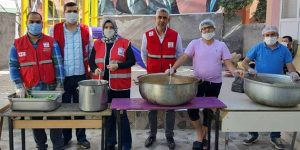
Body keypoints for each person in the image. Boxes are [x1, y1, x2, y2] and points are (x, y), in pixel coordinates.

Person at [166, 19, 243, 150]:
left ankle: (201, 138)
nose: (207, 30)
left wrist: (235, 71)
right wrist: (173, 68)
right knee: (192, 110)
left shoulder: (221, 45)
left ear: (214, 29)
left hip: (215, 83)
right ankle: (200, 133)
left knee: (209, 111)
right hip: (198, 83)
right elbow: (184, 57)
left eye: (209, 28)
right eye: (204, 28)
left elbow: (228, 62)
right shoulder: (195, 43)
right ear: (201, 31)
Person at [9, 12, 64, 150]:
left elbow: (58, 64)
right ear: (26, 23)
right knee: (36, 122)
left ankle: (58, 146)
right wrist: (18, 85)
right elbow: (13, 66)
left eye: (38, 21)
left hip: (51, 88)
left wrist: (60, 84)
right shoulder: (17, 44)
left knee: (55, 121)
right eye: (32, 21)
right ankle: (41, 146)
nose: (35, 24)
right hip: (31, 91)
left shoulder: (51, 42)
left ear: (42, 23)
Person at [242, 26, 300, 150]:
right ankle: (253, 134)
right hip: (259, 83)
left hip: (276, 84)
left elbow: (289, 66)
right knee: (255, 110)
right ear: (263, 37)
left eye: (272, 34)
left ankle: (275, 137)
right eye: (267, 35)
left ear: (277, 35)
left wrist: (294, 74)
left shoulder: (284, 50)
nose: (270, 37)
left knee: (277, 111)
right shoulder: (258, 47)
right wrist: (250, 69)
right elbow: (244, 62)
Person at [89, 18, 136, 150]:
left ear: (115, 29)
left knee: (122, 116)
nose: (108, 29)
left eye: (111, 27)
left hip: (121, 87)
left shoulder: (124, 43)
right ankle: (110, 142)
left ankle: (126, 144)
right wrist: (94, 69)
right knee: (108, 116)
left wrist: (118, 66)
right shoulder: (97, 43)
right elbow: (92, 61)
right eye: (106, 27)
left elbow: (132, 61)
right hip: (103, 87)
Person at [140, 8, 183, 150]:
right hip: (152, 76)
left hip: (169, 76)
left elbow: (180, 54)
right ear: (155, 18)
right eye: (160, 17)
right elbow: (143, 54)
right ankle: (152, 135)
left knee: (170, 107)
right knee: (151, 106)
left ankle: (169, 136)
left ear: (168, 19)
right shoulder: (147, 35)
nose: (162, 20)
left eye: (165, 17)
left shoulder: (175, 35)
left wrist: (173, 69)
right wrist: (150, 66)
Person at [52, 2, 93, 149]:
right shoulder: (55, 29)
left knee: (81, 107)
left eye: (75, 11)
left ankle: (81, 137)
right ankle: (66, 137)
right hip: (64, 77)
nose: (72, 13)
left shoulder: (85, 30)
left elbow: (91, 51)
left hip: (81, 76)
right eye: (69, 11)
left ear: (79, 13)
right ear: (64, 13)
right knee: (65, 108)